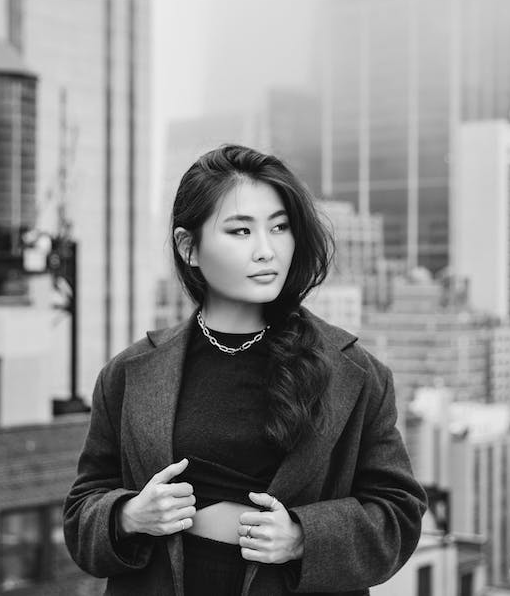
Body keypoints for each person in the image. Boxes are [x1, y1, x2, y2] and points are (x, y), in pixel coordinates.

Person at [64, 144, 426, 595]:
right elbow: (81, 515)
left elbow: (399, 513)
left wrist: (302, 537)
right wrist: (128, 515)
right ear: (188, 247)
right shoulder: (129, 373)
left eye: (279, 228)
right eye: (240, 231)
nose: (266, 251)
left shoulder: (355, 372)